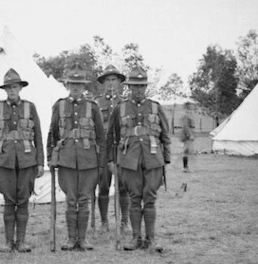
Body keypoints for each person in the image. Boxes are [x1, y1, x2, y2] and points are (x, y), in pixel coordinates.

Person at [107, 66, 171, 252]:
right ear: (129, 87)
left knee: (150, 198)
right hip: (129, 160)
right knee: (135, 198)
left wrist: (165, 159)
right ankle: (136, 238)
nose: (138, 90)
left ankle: (150, 239)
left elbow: (165, 136)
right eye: (135, 86)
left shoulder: (155, 107)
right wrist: (112, 161)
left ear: (146, 87)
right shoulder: (120, 109)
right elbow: (111, 137)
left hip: (153, 160)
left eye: (141, 86)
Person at [0, 68, 44, 252]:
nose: (12, 91)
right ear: (5, 90)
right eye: (9, 88)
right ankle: (9, 241)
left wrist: (40, 162)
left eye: (15, 87)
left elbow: (38, 135)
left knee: (23, 199)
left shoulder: (29, 107)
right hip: (4, 161)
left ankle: (21, 241)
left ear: (20, 88)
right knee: (9, 200)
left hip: (26, 160)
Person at [47, 66, 106, 251]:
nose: (75, 87)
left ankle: (83, 238)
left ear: (84, 86)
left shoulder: (92, 107)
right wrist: (51, 157)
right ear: (67, 84)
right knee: (71, 200)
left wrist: (102, 163)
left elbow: (101, 137)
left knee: (84, 199)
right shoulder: (59, 105)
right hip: (66, 160)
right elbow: (53, 134)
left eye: (79, 84)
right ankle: (71, 239)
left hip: (89, 160)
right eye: (72, 84)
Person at [93, 65, 130, 233]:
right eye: (107, 80)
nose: (111, 83)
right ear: (103, 83)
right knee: (104, 186)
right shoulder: (96, 103)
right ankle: (103, 222)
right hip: (102, 150)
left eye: (114, 79)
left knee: (123, 186)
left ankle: (125, 222)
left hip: (121, 148)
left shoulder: (124, 103)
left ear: (120, 82)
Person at [180, 101, 195, 172]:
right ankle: (185, 167)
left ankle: (186, 167)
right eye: (190, 106)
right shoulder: (186, 115)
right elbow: (186, 126)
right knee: (186, 151)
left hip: (186, 135)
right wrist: (190, 135)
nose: (192, 107)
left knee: (187, 151)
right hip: (186, 135)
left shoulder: (188, 114)